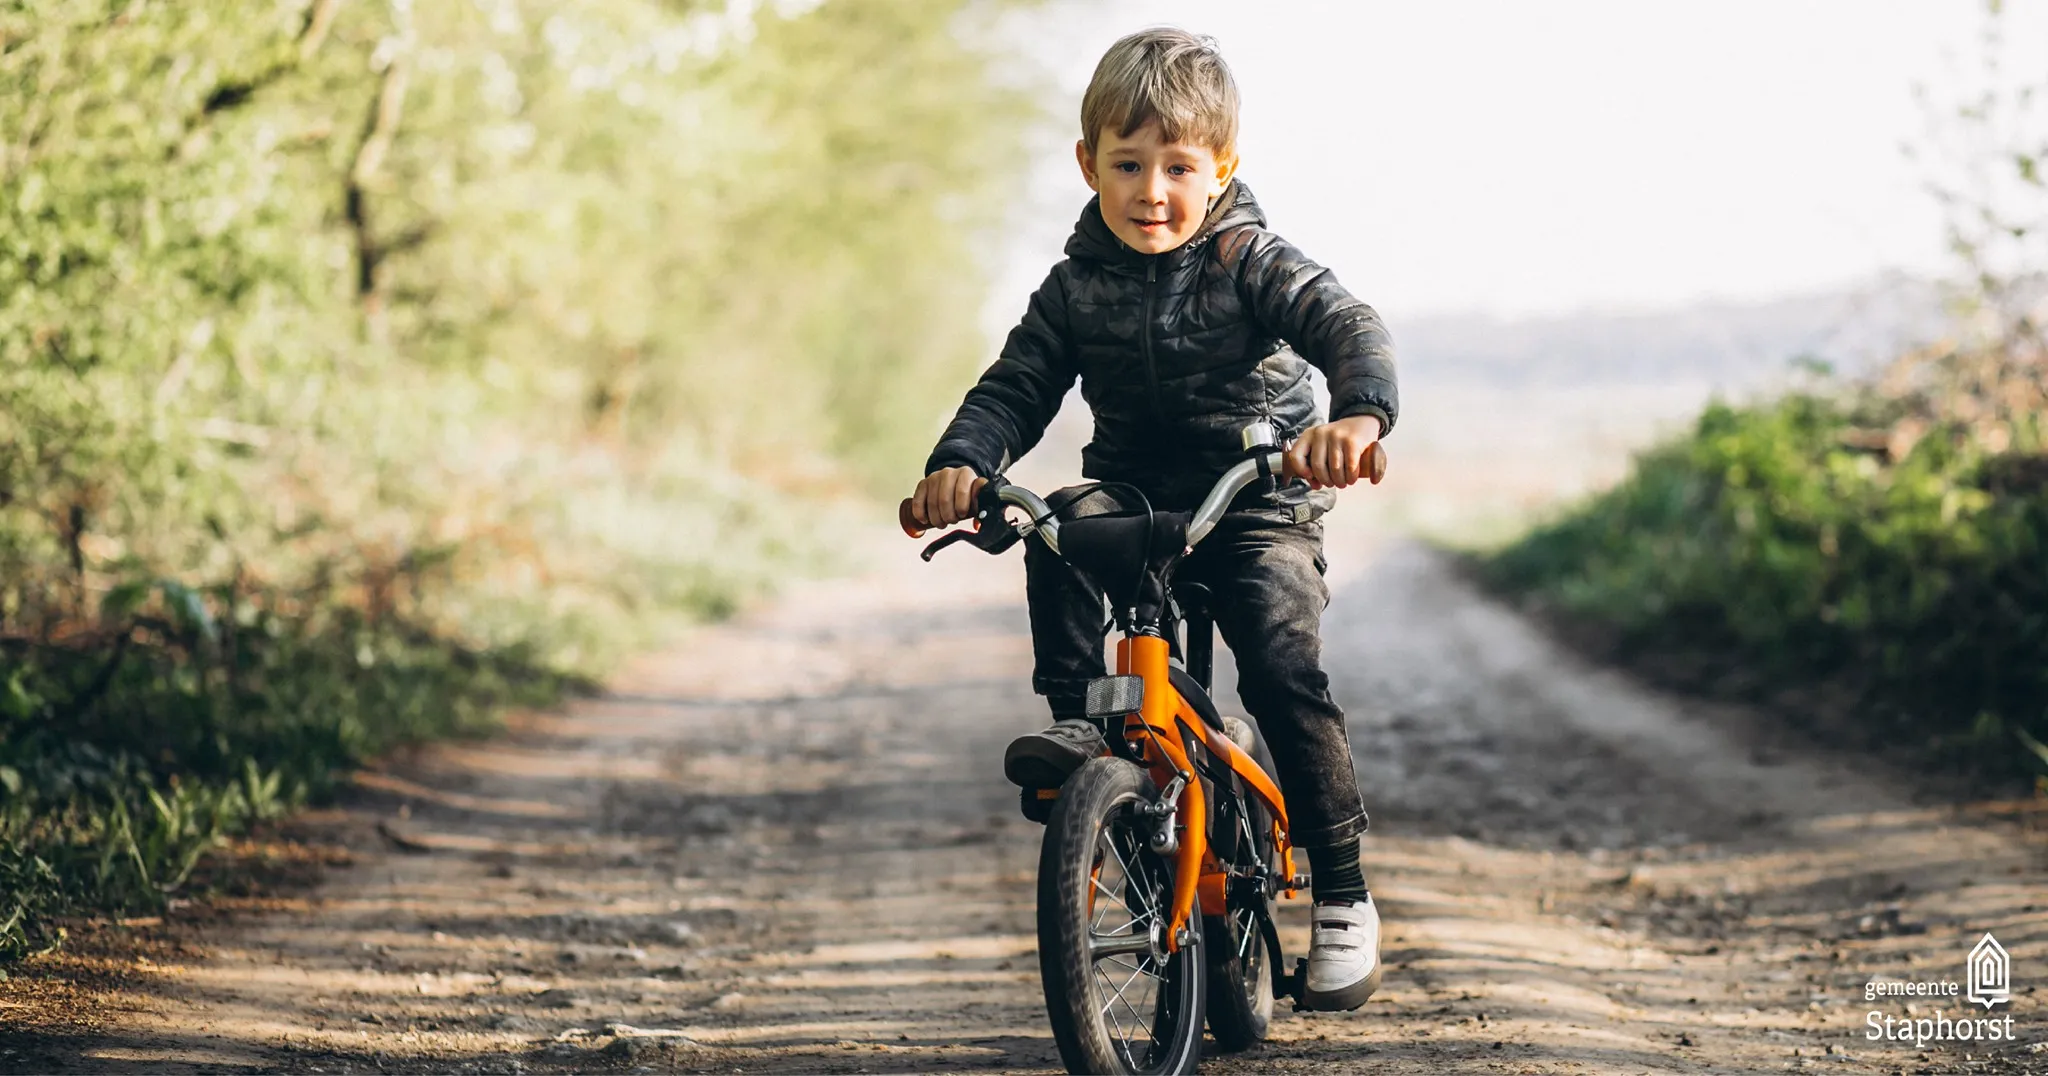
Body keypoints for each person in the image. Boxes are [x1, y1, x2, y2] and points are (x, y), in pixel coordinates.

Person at [905, 26, 1397, 1013]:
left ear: (1221, 168)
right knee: (1056, 528)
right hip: (1136, 493)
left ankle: (1340, 888)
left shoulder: (1247, 258)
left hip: (1256, 492)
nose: (1151, 190)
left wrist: (1352, 415)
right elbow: (1016, 384)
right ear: (1087, 165)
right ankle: (1091, 738)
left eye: (1177, 166)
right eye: (1126, 165)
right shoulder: (1072, 284)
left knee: (1276, 659)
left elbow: (1344, 324)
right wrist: (961, 461)